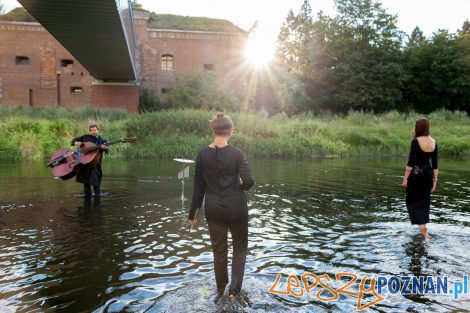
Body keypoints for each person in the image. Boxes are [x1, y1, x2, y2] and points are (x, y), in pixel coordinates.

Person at [188, 113, 255, 301]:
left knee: (219, 251)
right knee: (240, 248)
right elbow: (249, 181)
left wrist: (192, 214)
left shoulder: (202, 155)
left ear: (213, 130)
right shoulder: (237, 153)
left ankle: (220, 290)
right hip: (236, 207)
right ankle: (234, 292)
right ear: (230, 132)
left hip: (213, 208)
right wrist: (239, 185)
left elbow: (198, 189)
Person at [402, 118, 438, 239]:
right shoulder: (434, 142)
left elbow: (411, 162)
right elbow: (435, 165)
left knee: (411, 202)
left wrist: (405, 178)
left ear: (418, 127)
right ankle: (425, 230)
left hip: (416, 174)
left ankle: (421, 227)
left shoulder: (416, 141)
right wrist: (435, 182)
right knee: (424, 202)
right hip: (428, 174)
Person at [71, 124, 108, 197]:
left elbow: (107, 149)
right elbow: (74, 140)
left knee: (96, 181)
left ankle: (97, 197)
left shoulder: (102, 140)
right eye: (91, 130)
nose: (93, 132)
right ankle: (87, 197)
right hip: (85, 163)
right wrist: (76, 143)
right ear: (89, 131)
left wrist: (105, 148)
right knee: (86, 182)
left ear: (98, 131)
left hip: (96, 163)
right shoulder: (85, 137)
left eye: (95, 130)